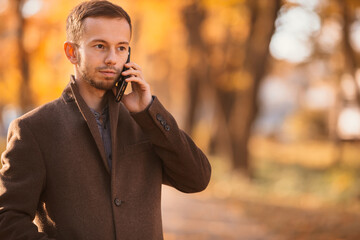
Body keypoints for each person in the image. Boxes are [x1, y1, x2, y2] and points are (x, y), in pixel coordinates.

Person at [0, 0, 211, 239]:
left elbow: (197, 179)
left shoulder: (145, 121)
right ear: (72, 52)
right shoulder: (34, 129)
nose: (112, 58)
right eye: (100, 46)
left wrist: (149, 110)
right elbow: (8, 218)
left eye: (121, 48)